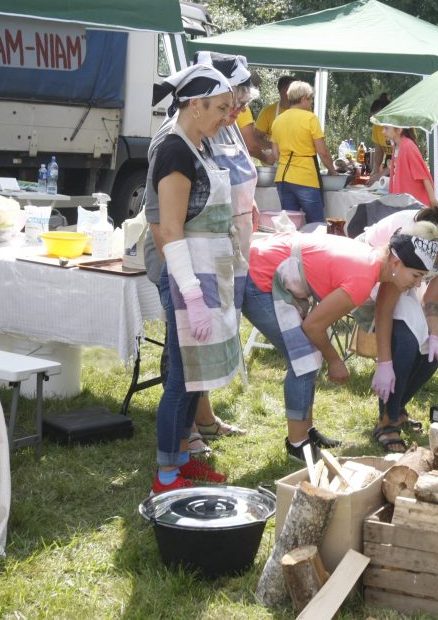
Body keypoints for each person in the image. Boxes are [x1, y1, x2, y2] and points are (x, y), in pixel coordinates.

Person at [244, 229, 438, 462]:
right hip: (258, 277)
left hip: (270, 262)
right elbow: (313, 327)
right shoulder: (362, 280)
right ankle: (297, 445)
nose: (417, 284)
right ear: (396, 263)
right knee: (304, 360)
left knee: (309, 356)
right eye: (416, 276)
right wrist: (335, 360)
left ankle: (306, 432)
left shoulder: (378, 264)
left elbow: (318, 323)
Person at [144, 52, 255, 455]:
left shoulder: (198, 143)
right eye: (222, 108)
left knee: (194, 377)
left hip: (206, 273)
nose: (228, 117)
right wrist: (190, 295)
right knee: (180, 379)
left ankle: (184, 458)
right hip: (184, 277)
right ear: (195, 105)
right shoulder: (173, 150)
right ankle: (169, 469)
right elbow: (168, 229)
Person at [358, 195, 438, 452]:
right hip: (370, 271)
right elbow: (385, 306)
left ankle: (397, 407)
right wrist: (384, 363)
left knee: (433, 348)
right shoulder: (419, 236)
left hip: (410, 279)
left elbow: (434, 296)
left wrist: (435, 337)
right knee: (405, 339)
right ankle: (387, 422)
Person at [270, 81, 337, 225]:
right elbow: (322, 151)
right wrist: (332, 170)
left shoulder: (278, 120)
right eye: (311, 98)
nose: (312, 102)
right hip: (305, 177)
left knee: (290, 225)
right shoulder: (310, 118)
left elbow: (275, 154)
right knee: (316, 224)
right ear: (304, 98)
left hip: (282, 178)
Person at [381, 125, 437, 206]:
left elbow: (423, 176)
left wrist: (433, 200)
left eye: (386, 128)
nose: (383, 131)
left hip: (414, 203)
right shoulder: (396, 146)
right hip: (404, 201)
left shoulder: (408, 146)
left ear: (399, 129)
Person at [253, 75, 296, 164]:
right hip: (273, 165)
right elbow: (255, 139)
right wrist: (273, 146)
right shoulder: (268, 112)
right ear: (284, 91)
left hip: (296, 162)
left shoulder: (304, 112)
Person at [368, 93, 392, 182]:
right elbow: (379, 149)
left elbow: (398, 161)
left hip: (401, 165)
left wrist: (380, 175)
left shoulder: (398, 126)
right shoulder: (377, 125)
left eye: (378, 119)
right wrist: (375, 169)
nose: (382, 130)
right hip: (389, 161)